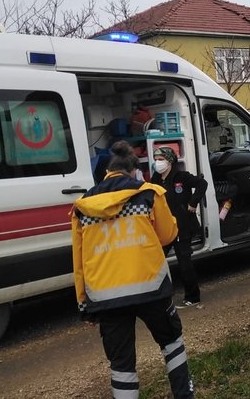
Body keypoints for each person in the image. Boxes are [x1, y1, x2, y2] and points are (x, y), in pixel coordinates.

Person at [71, 141, 195, 399]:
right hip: (150, 287)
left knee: (121, 364)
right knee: (171, 343)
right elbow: (167, 234)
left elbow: (79, 261)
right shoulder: (149, 193)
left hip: (105, 297)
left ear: (107, 171)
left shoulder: (82, 205)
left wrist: (84, 304)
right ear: (133, 171)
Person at [151, 146, 208, 308]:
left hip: (183, 226)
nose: (158, 163)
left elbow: (202, 184)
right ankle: (159, 297)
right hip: (164, 228)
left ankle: (193, 296)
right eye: (156, 159)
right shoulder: (155, 179)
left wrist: (193, 202)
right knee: (156, 262)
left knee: (184, 263)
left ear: (169, 161)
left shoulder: (181, 177)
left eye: (161, 159)